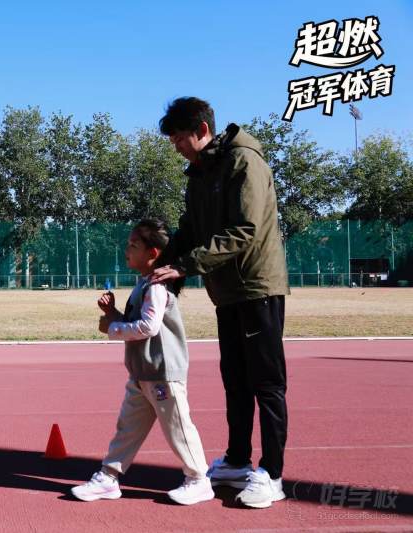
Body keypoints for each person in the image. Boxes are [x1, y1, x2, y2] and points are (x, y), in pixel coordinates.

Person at [153, 97, 290, 509]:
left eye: (180, 138)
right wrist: (161, 263)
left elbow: (244, 229)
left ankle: (273, 474)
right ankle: (236, 460)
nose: (177, 146)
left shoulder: (244, 162)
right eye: (173, 141)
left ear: (202, 130)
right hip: (226, 290)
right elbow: (190, 228)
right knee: (235, 379)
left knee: (266, 383)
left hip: (257, 287)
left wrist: (185, 266)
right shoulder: (200, 173)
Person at [71, 219, 213, 506]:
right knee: (128, 428)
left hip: (162, 374)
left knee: (178, 427)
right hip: (141, 373)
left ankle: (199, 480)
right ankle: (109, 477)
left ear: (153, 254)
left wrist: (113, 328)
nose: (127, 250)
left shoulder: (157, 286)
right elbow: (136, 323)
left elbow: (149, 327)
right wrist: (113, 314)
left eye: (133, 245)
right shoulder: (144, 284)